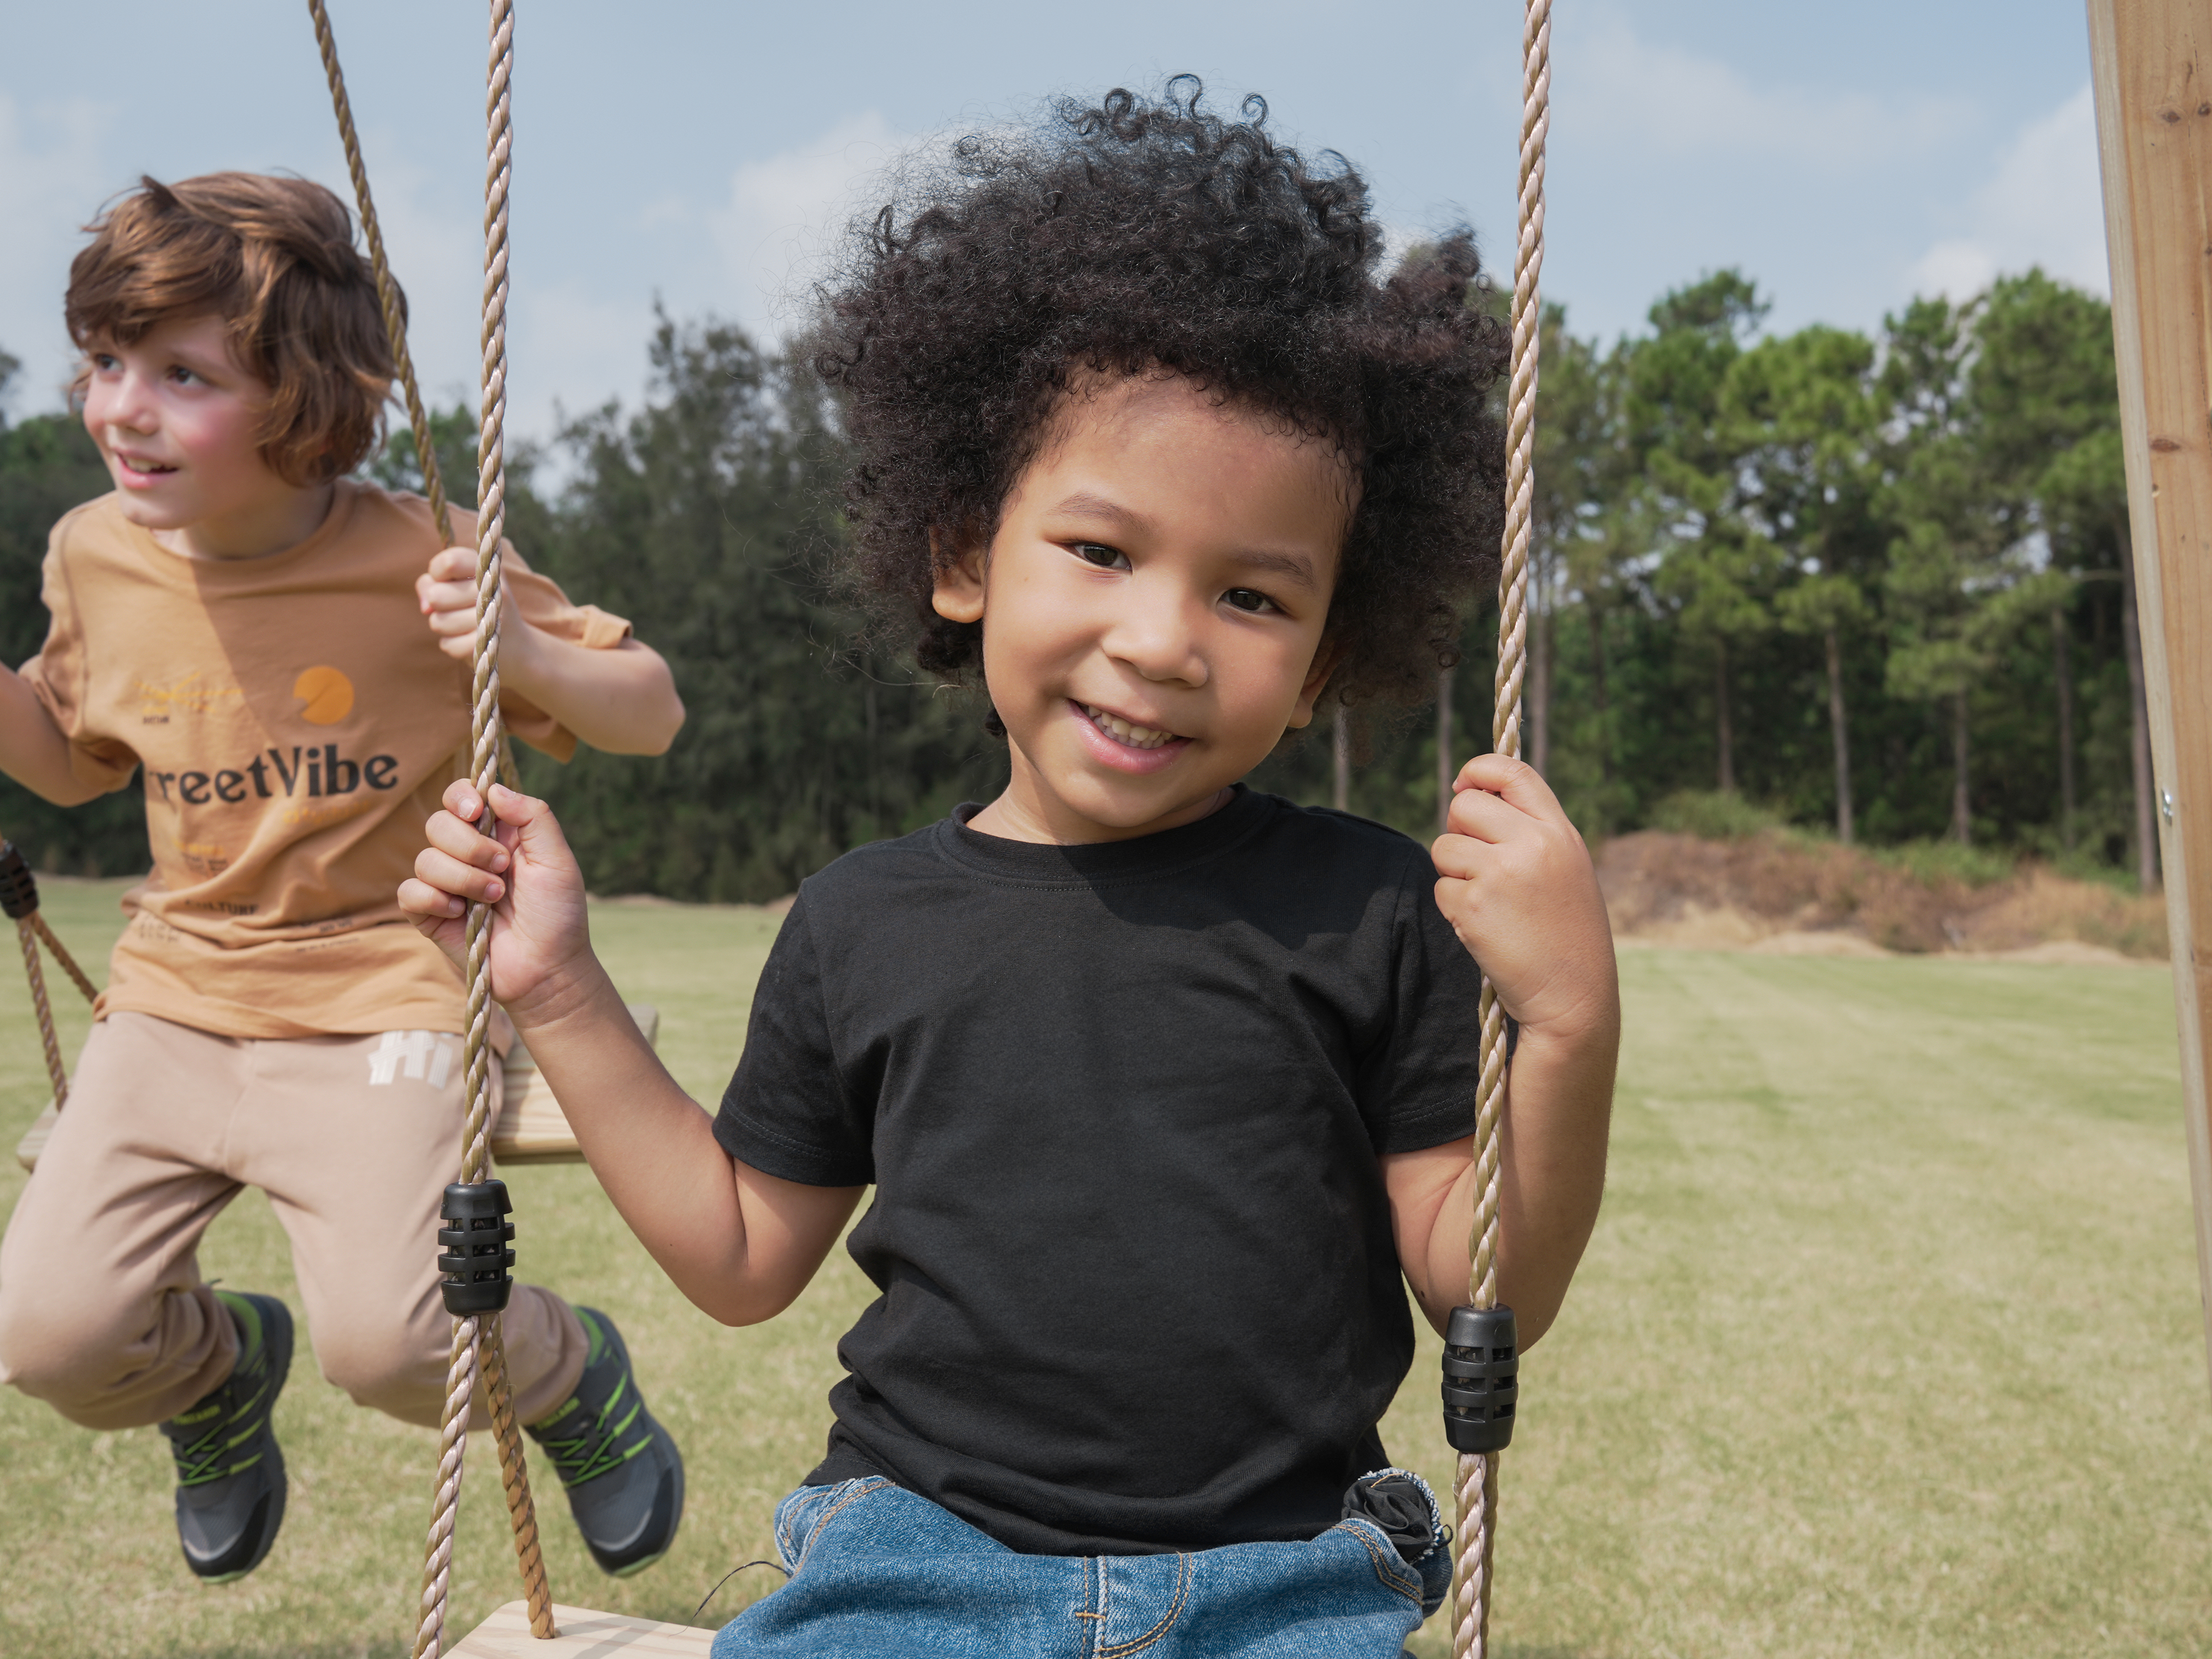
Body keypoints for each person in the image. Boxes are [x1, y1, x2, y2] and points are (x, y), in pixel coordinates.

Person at [400, 84, 1618, 1657]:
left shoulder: (1378, 907)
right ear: (966, 554)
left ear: (1326, 656)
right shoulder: (861, 921)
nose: (1164, 640)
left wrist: (1570, 1024)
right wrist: (556, 986)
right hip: (917, 1564)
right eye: (1101, 553)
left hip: (1283, 1583)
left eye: (1253, 597)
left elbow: (1481, 1280)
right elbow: (740, 1251)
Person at [0, 173, 690, 1585]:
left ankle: (574, 1380)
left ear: (304, 396)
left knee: (396, 1345)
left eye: (180, 375)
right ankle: (215, 1373)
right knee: (48, 1338)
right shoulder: (91, 553)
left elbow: (650, 710)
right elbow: (74, 761)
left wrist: (526, 649)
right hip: (177, 998)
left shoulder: (419, 550)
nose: (122, 407)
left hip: (386, 996)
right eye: (107, 362)